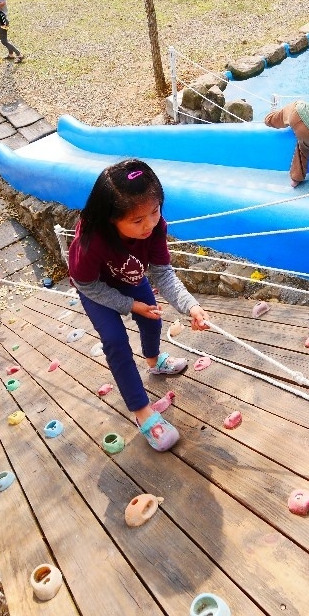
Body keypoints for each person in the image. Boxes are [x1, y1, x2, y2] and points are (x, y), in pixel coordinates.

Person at [68, 159, 209, 452]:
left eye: (155, 211)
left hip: (128, 278)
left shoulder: (155, 228)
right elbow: (87, 285)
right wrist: (130, 305)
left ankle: (153, 361)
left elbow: (162, 272)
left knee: (153, 318)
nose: (150, 224)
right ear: (110, 218)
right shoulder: (90, 243)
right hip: (95, 289)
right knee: (116, 341)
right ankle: (142, 412)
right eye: (137, 221)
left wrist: (191, 306)